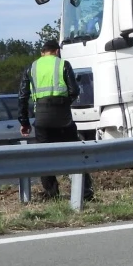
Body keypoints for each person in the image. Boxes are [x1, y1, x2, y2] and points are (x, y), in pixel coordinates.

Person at [19, 39, 94, 202]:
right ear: (57, 51)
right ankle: (86, 192)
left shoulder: (31, 68)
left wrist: (24, 122)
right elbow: (74, 91)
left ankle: (52, 193)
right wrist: (64, 104)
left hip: (42, 117)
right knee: (75, 153)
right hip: (63, 117)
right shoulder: (63, 64)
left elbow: (23, 97)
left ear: (42, 52)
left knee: (44, 156)